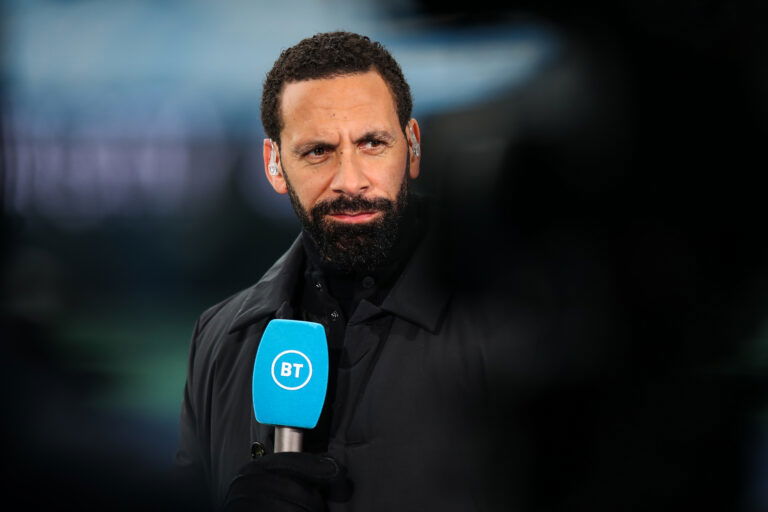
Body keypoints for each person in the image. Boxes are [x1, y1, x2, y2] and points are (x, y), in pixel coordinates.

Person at [175, 31, 501, 512]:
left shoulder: (509, 317)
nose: (350, 181)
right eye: (317, 151)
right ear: (274, 164)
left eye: (372, 143)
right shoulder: (218, 338)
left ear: (411, 146)